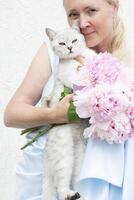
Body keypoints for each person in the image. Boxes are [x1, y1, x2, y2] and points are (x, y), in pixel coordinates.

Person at [4, 0, 134, 199]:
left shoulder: (130, 60)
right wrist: (53, 114)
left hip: (110, 181)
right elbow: (12, 115)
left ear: (114, 8)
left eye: (91, 11)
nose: (82, 23)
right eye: (74, 14)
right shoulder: (55, 51)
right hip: (52, 174)